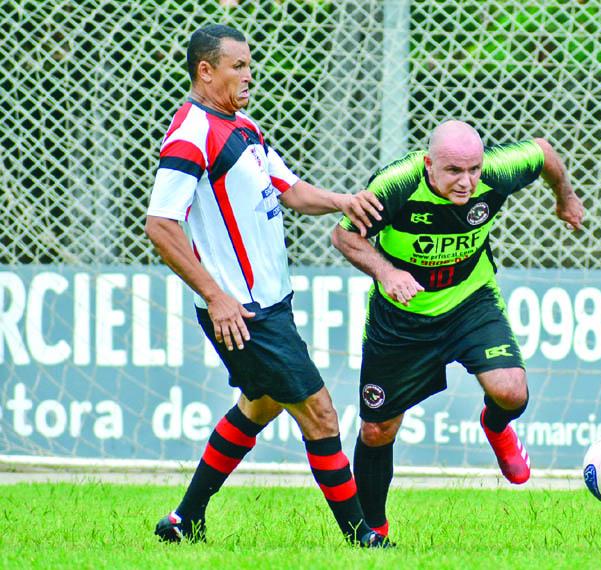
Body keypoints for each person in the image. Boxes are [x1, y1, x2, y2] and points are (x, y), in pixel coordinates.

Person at [145, 23, 389, 547]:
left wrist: (343, 200)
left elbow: (290, 190)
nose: (249, 75)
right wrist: (216, 296)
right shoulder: (191, 134)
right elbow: (161, 225)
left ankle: (183, 521)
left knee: (262, 405)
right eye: (238, 66)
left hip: (271, 304)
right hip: (244, 312)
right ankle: (362, 537)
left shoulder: (243, 127)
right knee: (320, 411)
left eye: (249, 64)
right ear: (205, 71)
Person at [331, 120, 584, 538]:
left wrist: (566, 197)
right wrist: (387, 272)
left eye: (474, 170)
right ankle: (373, 531)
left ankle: (496, 425)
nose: (467, 182)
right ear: (429, 164)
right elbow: (344, 238)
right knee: (377, 430)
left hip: (470, 298)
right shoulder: (395, 185)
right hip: (402, 316)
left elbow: (542, 151)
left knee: (511, 391)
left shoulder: (498, 170)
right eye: (453, 171)